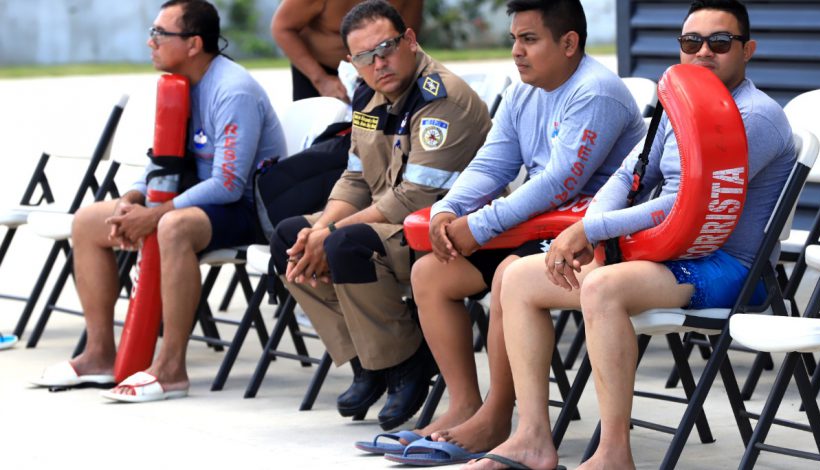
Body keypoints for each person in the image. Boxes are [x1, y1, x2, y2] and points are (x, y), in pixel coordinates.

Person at [468, 1, 798, 468]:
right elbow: (628, 176)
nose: (703, 52)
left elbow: (688, 200)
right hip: (666, 251)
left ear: (748, 50)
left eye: (720, 42)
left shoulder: (755, 117)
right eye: (691, 42)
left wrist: (590, 228)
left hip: (729, 266)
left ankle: (613, 454)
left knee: (603, 287)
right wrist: (594, 229)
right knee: (518, 278)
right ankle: (532, 438)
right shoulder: (680, 103)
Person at [391, 0, 647, 460]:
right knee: (430, 274)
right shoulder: (522, 92)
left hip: (589, 237)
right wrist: (448, 210)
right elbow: (492, 163)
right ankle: (464, 406)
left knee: (509, 273)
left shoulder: (596, 92)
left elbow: (559, 183)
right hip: (535, 228)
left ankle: (496, 417)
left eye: (529, 39)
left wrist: (480, 225)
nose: (516, 51)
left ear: (569, 43)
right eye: (514, 39)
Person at [33, 0, 287, 402]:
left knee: (172, 227)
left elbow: (228, 184)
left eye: (159, 34)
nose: (150, 42)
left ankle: (170, 370)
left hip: (250, 210)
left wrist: (153, 216)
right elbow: (162, 160)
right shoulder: (179, 84)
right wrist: (132, 198)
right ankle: (99, 355)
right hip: (194, 200)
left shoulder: (232, 90)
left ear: (193, 44)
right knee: (87, 220)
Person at [269, 0, 491, 432]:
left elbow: (413, 199)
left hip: (444, 234)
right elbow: (355, 179)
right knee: (290, 238)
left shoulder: (441, 97)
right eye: (364, 57)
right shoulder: (369, 95)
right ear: (351, 62)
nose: (378, 63)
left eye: (386, 48)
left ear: (410, 40)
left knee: (344, 244)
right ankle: (369, 359)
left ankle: (406, 361)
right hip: (392, 225)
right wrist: (319, 228)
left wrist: (331, 231)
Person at [271, 0, 423, 101]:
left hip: (379, 70)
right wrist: (321, 79)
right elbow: (281, 28)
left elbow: (408, 37)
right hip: (317, 72)